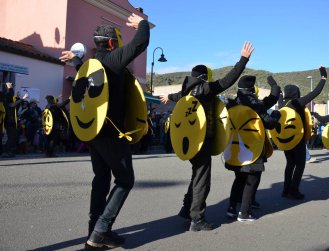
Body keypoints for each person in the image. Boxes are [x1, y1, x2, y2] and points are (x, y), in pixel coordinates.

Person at [60, 13, 149, 249]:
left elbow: (88, 81)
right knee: (125, 180)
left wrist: (75, 61)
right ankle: (99, 232)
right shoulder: (113, 60)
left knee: (101, 179)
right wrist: (141, 24)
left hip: (93, 135)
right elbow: (141, 42)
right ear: (111, 43)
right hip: (111, 133)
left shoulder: (92, 65)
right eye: (117, 43)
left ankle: (97, 231)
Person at [160, 41, 254, 231]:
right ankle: (197, 219)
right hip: (202, 140)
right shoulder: (206, 89)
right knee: (203, 180)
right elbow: (228, 80)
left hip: (188, 141)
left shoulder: (187, 90)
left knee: (197, 175)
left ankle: (187, 209)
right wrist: (243, 60)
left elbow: (178, 97)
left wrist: (169, 97)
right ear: (205, 77)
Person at [225, 75, 281, 222]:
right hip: (252, 147)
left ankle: (231, 208)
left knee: (239, 179)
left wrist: (274, 90)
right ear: (252, 89)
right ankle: (244, 213)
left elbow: (270, 100)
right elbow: (268, 122)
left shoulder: (232, 104)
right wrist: (276, 114)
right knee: (252, 178)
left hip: (235, 148)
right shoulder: (255, 104)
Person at [278, 66, 327, 200]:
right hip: (297, 139)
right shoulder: (297, 102)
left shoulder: (282, 104)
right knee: (300, 164)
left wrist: (277, 90)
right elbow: (315, 92)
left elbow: (279, 96)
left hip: (285, 139)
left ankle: (285, 190)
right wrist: (323, 77)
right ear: (296, 93)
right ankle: (293, 191)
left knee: (290, 164)